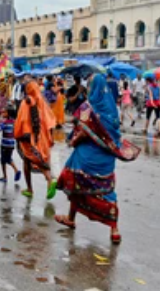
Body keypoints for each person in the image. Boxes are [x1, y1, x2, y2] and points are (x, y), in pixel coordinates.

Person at [55, 74, 140, 244]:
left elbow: (81, 133)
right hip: (106, 161)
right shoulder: (112, 109)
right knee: (107, 192)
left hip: (86, 159)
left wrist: (73, 140)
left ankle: (71, 218)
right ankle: (114, 229)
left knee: (75, 185)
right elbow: (114, 133)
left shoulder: (88, 109)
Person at [15, 81, 57, 199]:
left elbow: (22, 120)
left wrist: (18, 134)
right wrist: (50, 136)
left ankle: (46, 181)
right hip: (41, 136)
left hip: (29, 137)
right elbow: (50, 120)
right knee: (34, 160)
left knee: (31, 160)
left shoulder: (26, 102)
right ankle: (38, 185)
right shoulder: (42, 101)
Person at [0, 106, 21, 183]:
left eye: (5, 112)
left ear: (8, 114)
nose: (3, 113)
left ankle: (8, 175)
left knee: (3, 160)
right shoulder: (14, 122)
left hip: (5, 144)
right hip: (11, 144)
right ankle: (12, 173)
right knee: (8, 158)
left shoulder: (5, 123)